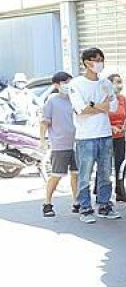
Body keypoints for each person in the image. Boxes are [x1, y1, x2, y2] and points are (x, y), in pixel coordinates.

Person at [68, 47, 120, 223]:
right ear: (86, 63)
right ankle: (85, 207)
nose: (99, 63)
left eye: (101, 59)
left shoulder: (105, 83)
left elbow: (112, 107)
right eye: (95, 60)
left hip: (105, 134)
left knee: (105, 173)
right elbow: (81, 109)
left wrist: (94, 105)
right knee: (85, 174)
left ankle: (104, 205)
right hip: (85, 136)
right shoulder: (76, 84)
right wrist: (100, 106)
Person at [40, 72, 79, 217]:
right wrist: (43, 140)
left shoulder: (74, 99)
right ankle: (47, 203)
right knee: (56, 175)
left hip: (77, 142)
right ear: (56, 85)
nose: (68, 85)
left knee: (76, 174)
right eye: (65, 82)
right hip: (60, 143)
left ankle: (76, 202)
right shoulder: (52, 100)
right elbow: (44, 122)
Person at [107, 74, 126, 202]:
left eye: (121, 82)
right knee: (105, 165)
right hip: (107, 135)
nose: (119, 85)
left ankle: (120, 191)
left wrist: (125, 126)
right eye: (117, 82)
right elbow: (101, 117)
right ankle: (101, 192)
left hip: (120, 134)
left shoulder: (122, 99)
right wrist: (111, 127)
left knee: (120, 164)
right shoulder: (106, 99)